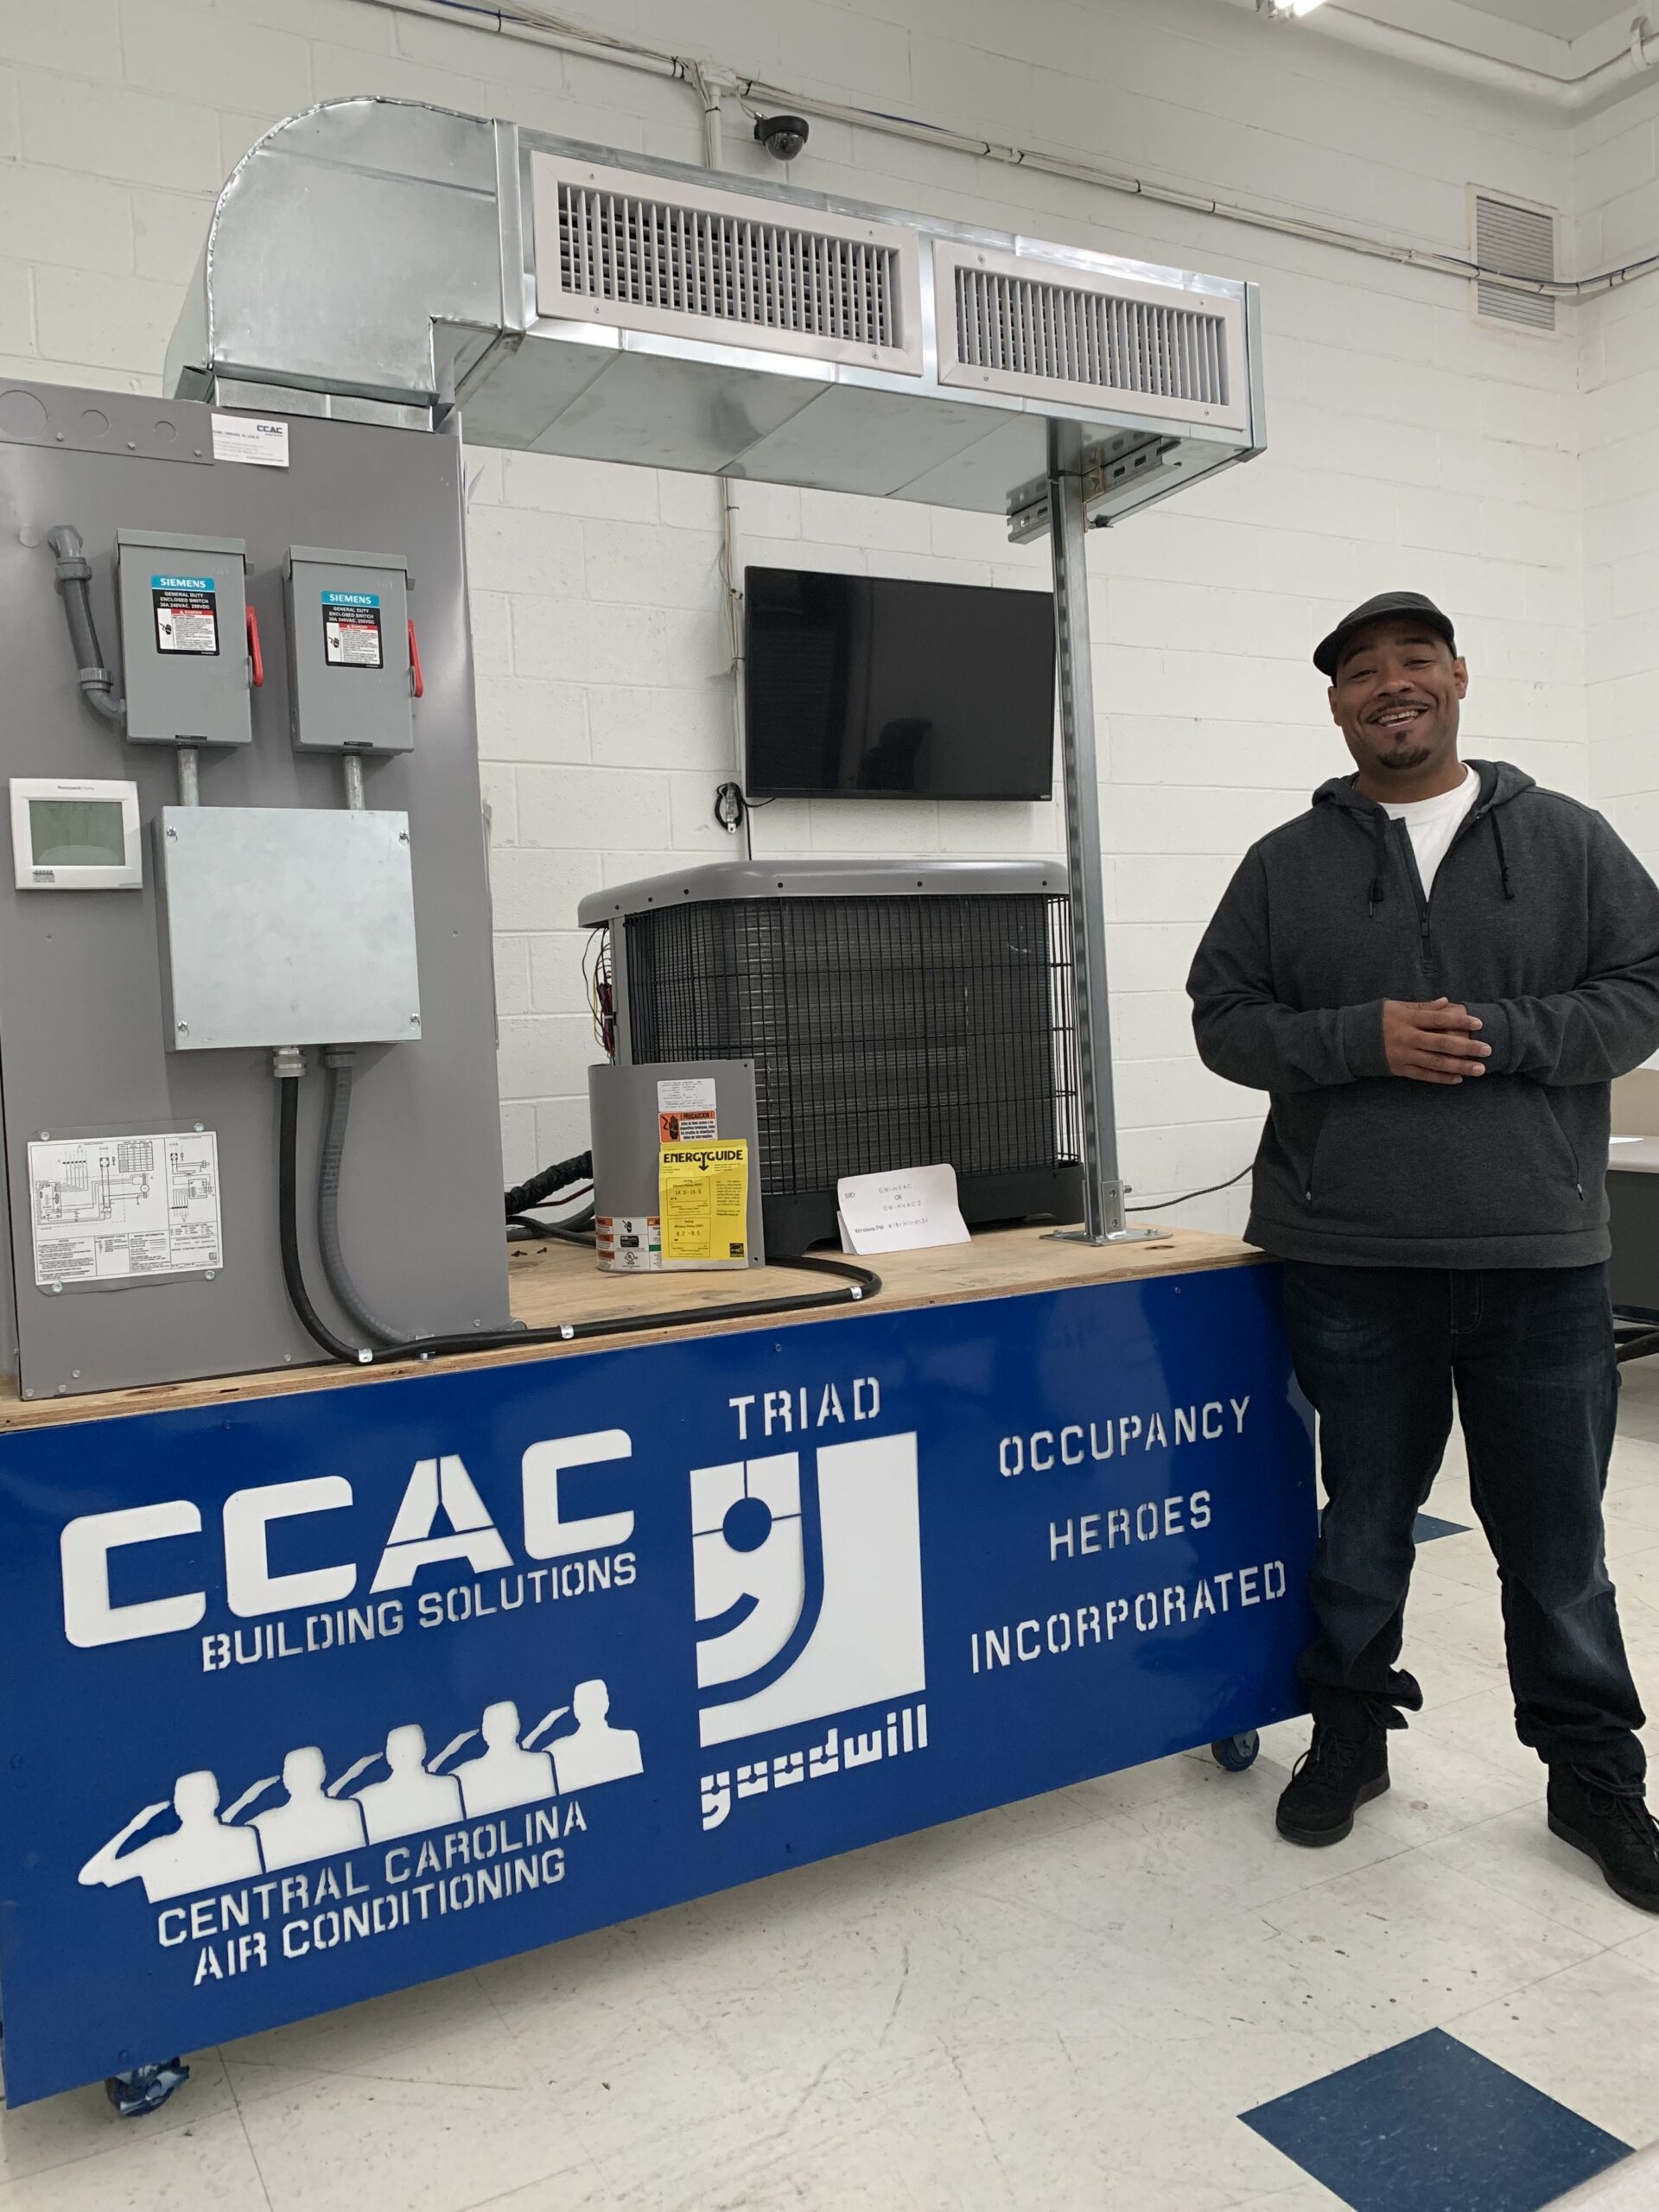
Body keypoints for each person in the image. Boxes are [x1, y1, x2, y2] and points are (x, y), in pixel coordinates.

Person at [1187, 589, 1659, 1910]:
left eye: (1414, 661)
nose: (1389, 686)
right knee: (1363, 1525)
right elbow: (1222, 1019)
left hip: (1540, 1257)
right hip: (1349, 1253)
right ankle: (1348, 1737)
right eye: (1359, 673)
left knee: (1557, 1546)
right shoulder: (1287, 862)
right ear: (1335, 705)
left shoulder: (1565, 840)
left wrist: (1504, 1035)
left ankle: (1594, 1781)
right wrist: (1360, 1039)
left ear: (1458, 678)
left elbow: (1645, 988)